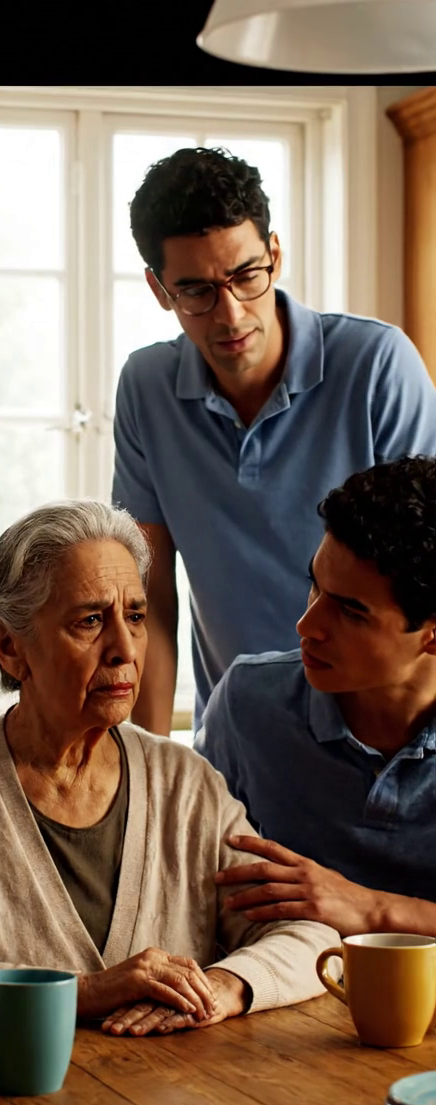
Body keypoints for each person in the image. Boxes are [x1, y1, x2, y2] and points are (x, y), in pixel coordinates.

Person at [0, 500, 338, 1036]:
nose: (124, 649)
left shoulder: (184, 782)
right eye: (91, 621)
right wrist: (82, 993)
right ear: (9, 647)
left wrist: (229, 985)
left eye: (136, 617)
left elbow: (309, 934)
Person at [111, 146, 436, 736]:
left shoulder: (377, 365)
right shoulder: (146, 388)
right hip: (237, 743)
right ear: (161, 290)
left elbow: (426, 579)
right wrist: (146, 769)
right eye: (196, 290)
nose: (230, 315)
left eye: (245, 275)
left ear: (275, 254)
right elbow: (149, 598)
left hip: (382, 740)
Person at [196, 456, 436, 939]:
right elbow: (191, 888)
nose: (307, 626)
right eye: (315, 586)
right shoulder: (248, 704)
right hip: (277, 997)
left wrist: (371, 910)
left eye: (351, 612)